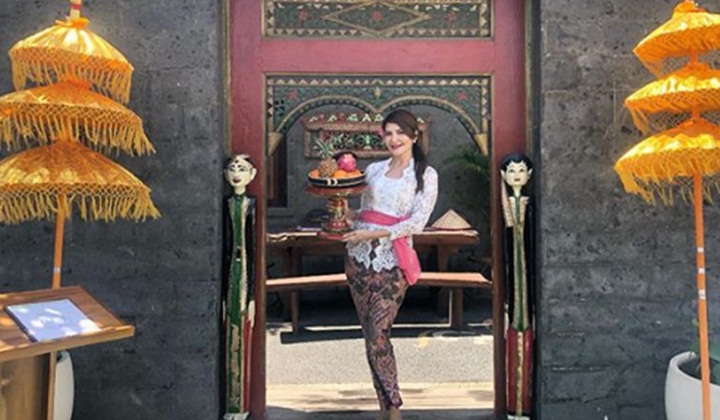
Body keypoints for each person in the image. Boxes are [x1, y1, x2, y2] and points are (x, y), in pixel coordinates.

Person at [342, 109, 438, 420]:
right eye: (389, 133)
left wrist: (375, 233)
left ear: (414, 136)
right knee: (369, 336)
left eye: (400, 132)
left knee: (379, 332)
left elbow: (417, 222)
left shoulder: (425, 175)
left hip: (393, 261)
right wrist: (340, 208)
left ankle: (393, 407)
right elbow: (363, 214)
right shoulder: (373, 170)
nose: (394, 139)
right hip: (358, 259)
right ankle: (384, 407)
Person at [222, 154, 257, 420]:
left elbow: (252, 249)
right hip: (231, 278)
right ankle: (231, 407)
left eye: (242, 169)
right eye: (232, 168)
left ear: (252, 174)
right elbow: (226, 246)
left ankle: (241, 407)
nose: (236, 173)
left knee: (242, 334)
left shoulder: (250, 205)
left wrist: (252, 296)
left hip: (244, 275)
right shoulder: (227, 204)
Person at [500, 152, 535, 418]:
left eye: (521, 170)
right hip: (513, 280)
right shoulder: (506, 204)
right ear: (503, 175)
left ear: (529, 175)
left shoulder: (530, 205)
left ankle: (524, 407)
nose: (516, 175)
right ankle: (514, 407)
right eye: (511, 171)